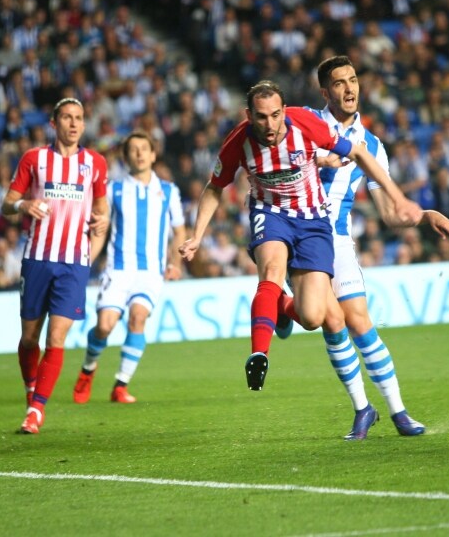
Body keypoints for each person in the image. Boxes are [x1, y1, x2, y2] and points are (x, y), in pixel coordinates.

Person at [179, 81, 422, 439]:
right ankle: (259, 355)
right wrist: (197, 235)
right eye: (261, 117)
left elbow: (358, 153)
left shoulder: (305, 125)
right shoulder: (238, 141)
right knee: (272, 272)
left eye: (276, 114)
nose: (270, 124)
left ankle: (282, 308)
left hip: (313, 222)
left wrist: (398, 197)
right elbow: (215, 188)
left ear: (284, 110)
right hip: (270, 215)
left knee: (312, 317)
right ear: (250, 116)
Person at [279, 55, 449, 438]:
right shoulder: (302, 125)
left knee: (359, 321)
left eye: (353, 80)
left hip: (339, 240)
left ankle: (397, 412)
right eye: (340, 82)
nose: (349, 88)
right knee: (330, 320)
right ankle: (363, 409)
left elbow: (388, 213)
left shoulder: (373, 146)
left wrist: (424, 214)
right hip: (301, 234)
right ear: (325, 92)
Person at [1, 98, 109, 434]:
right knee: (29, 337)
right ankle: (31, 389)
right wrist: (23, 204)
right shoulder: (35, 159)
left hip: (74, 264)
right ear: (54, 123)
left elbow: (102, 213)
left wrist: (97, 230)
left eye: (79, 118)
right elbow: (6, 205)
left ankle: (36, 410)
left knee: (57, 337)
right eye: (67, 117)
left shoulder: (95, 163)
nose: (74, 124)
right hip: (37, 259)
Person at [72, 131, 186, 404]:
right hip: (118, 269)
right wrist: (84, 262)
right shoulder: (114, 190)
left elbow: (180, 231)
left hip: (150, 273)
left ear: (153, 154)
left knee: (137, 319)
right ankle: (88, 368)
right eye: (133, 149)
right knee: (104, 326)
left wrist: (175, 262)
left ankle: (120, 386)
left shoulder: (169, 191)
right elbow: (100, 229)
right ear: (126, 157)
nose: (139, 153)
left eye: (143, 148)